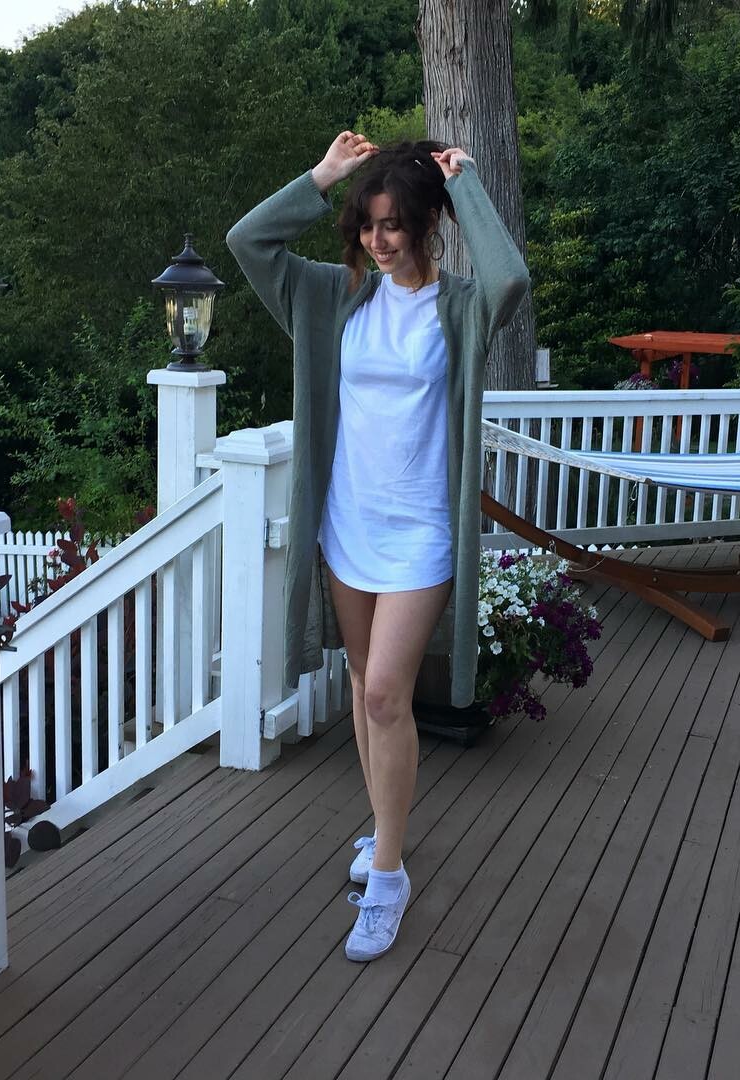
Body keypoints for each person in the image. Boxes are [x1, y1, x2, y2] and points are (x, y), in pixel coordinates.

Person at [226, 131, 529, 961]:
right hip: (348, 523)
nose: (379, 239)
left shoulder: (461, 306)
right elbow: (247, 243)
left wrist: (466, 186)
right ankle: (383, 828)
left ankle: (388, 877)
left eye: (394, 223)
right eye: (368, 223)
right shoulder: (334, 295)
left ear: (427, 222)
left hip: (422, 530)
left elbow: (511, 279)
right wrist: (323, 177)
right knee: (364, 688)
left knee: (389, 694)